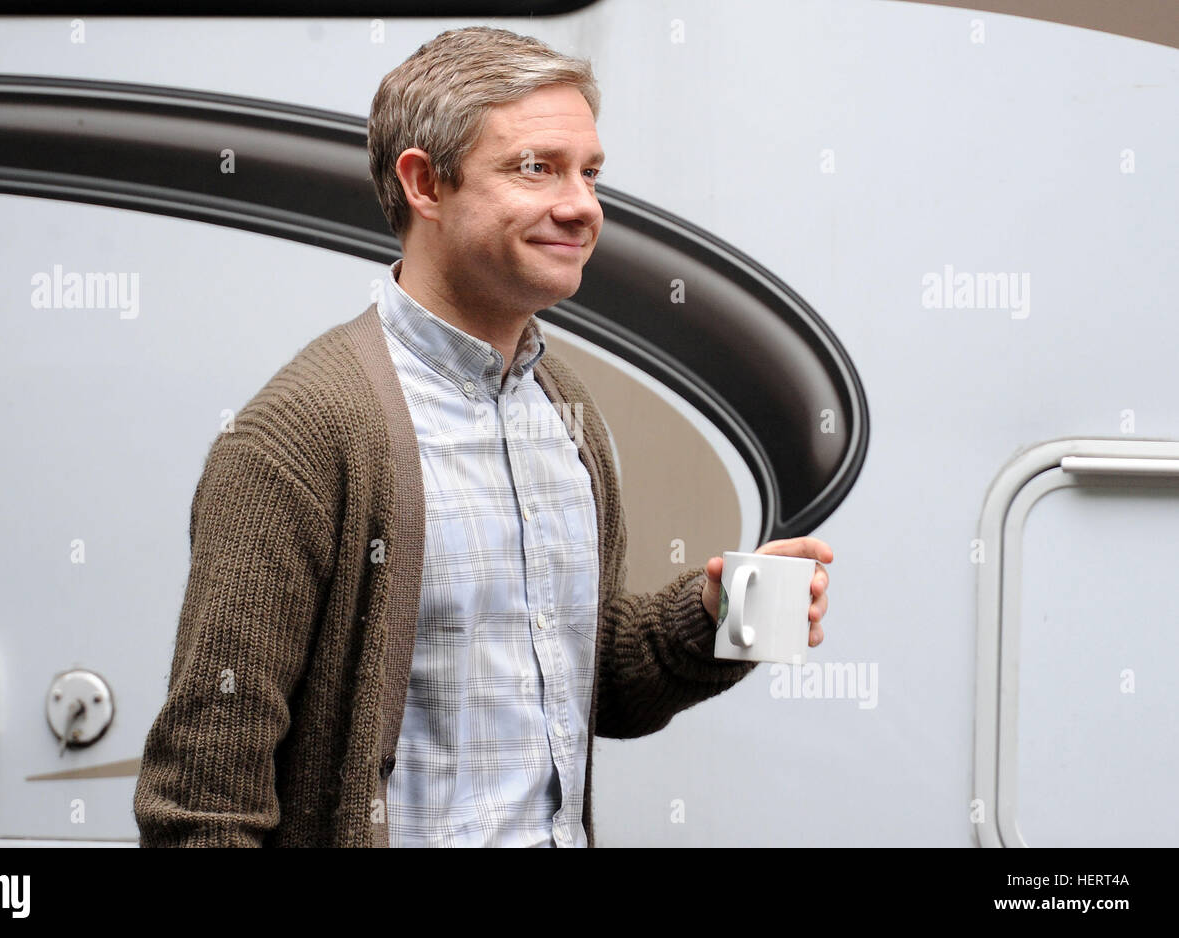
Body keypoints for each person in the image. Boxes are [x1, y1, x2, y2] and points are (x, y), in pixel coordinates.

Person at [133, 24, 832, 848]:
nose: (582, 205)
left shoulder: (561, 411)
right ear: (425, 183)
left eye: (590, 173)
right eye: (536, 168)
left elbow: (581, 685)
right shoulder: (299, 439)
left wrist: (710, 619)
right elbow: (205, 803)